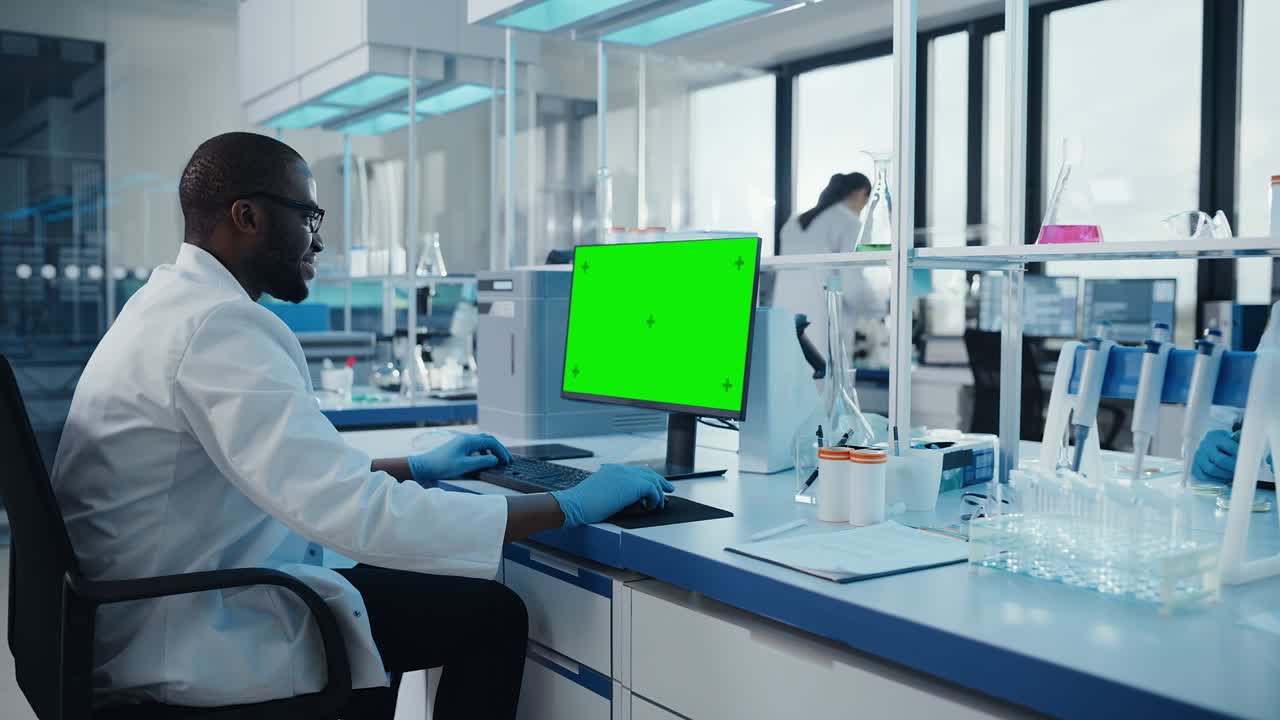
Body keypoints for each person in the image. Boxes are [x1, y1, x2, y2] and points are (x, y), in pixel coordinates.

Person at [50, 132, 672, 719]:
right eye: (308, 216)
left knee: (398, 597)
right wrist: (568, 505)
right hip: (187, 632)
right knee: (491, 615)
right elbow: (357, 514)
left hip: (150, 608)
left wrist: (413, 468)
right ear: (247, 217)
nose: (318, 242)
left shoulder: (167, 304)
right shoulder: (218, 325)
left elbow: (289, 471)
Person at [770, 172, 880, 357]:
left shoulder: (792, 224)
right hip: (822, 332)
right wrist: (880, 309)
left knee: (787, 372)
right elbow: (853, 288)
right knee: (823, 373)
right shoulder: (849, 223)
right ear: (861, 193)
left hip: (784, 327)